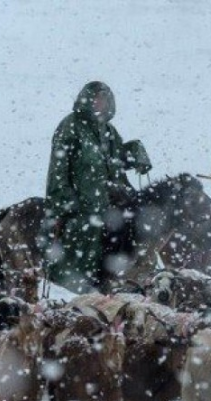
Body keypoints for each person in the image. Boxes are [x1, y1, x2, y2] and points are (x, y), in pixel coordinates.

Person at [41, 81, 151, 293]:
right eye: (95, 98)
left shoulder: (109, 131)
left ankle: (133, 275)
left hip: (110, 196)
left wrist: (136, 153)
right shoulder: (71, 126)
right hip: (83, 201)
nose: (99, 103)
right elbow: (58, 168)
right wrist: (64, 200)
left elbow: (116, 159)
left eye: (103, 98)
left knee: (138, 222)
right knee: (91, 229)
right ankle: (89, 281)